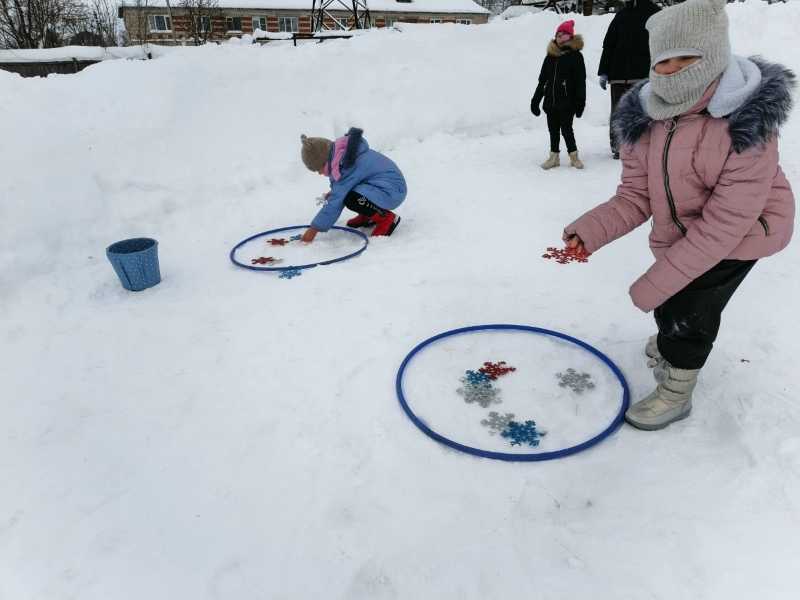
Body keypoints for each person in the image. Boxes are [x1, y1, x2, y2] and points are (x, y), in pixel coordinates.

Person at [561, 0, 795, 430]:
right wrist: (591, 230)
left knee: (690, 309)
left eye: (686, 58)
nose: (671, 71)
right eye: (663, 61)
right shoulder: (644, 118)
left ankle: (677, 390)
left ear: (715, 56)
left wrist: (660, 283)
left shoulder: (746, 121)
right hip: (685, 231)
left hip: (745, 232)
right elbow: (635, 195)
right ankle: (671, 335)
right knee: (672, 296)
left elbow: (726, 223)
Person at [300, 128, 407, 242]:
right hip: (384, 187)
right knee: (349, 195)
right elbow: (348, 185)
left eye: (318, 169)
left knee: (351, 198)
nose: (320, 173)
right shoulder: (344, 158)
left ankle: (386, 218)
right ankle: (368, 216)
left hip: (391, 191)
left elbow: (336, 201)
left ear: (324, 161)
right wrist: (334, 192)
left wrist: (313, 230)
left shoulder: (347, 166)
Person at [598, 0, 660, 159]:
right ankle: (618, 146)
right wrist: (604, 71)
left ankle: (645, 144)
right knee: (619, 111)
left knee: (643, 111)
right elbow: (609, 45)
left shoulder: (656, 13)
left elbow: (663, 44)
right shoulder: (621, 15)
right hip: (619, 74)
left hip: (644, 76)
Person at [530, 20, 587, 170]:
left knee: (567, 129)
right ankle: (553, 157)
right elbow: (542, 81)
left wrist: (580, 102)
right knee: (553, 130)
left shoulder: (576, 57)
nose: (561, 37)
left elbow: (580, 82)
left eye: (564, 35)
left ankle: (574, 156)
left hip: (568, 102)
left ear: (570, 37)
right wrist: (535, 100)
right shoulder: (550, 56)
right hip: (550, 102)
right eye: (558, 35)